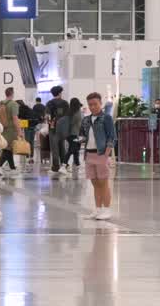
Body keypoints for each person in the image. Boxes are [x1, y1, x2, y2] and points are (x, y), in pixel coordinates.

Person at [80, 92, 118, 220]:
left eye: (95, 104)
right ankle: (97, 209)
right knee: (95, 183)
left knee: (104, 183)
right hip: (89, 155)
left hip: (101, 154)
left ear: (100, 104)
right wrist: (79, 140)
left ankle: (107, 210)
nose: (92, 107)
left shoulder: (106, 118)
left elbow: (112, 137)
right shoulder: (86, 120)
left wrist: (106, 154)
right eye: (90, 105)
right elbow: (83, 135)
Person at [45, 87, 71, 175]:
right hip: (63, 128)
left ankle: (55, 167)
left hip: (53, 128)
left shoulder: (49, 103)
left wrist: (51, 123)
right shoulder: (65, 103)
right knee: (62, 147)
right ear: (59, 93)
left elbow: (47, 117)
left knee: (54, 148)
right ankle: (64, 165)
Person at [0, 88, 22, 176]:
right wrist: (19, 131)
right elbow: (15, 119)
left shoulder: (0, 104)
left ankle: (12, 167)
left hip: (2, 129)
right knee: (8, 149)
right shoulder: (14, 104)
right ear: (12, 94)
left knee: (8, 148)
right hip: (11, 130)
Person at [65, 98, 84, 169]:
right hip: (75, 134)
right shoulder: (78, 112)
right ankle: (64, 163)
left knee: (75, 149)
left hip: (69, 134)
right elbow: (79, 123)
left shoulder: (69, 112)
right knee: (72, 149)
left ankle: (77, 163)